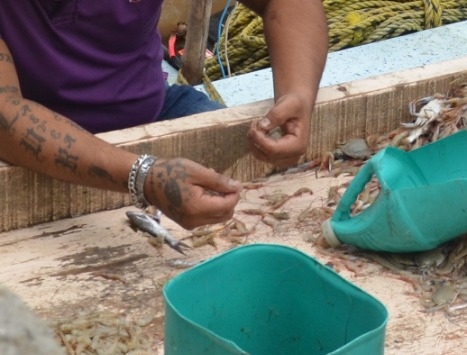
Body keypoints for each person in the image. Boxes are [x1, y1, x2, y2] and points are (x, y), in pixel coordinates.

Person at [0, 0, 327, 230]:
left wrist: (296, 93)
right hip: (23, 152)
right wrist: (142, 176)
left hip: (155, 111)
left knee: (265, 206)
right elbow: (6, 114)